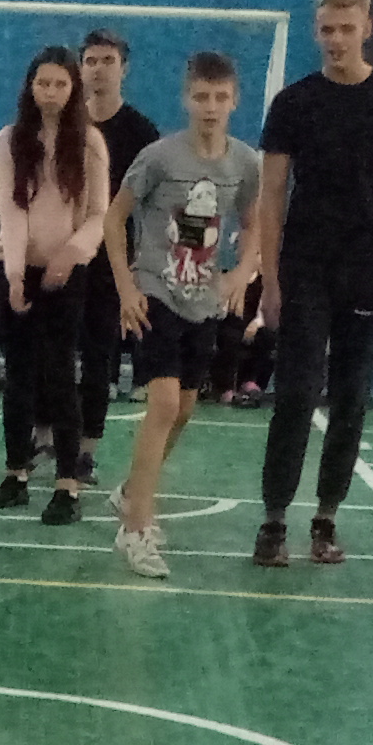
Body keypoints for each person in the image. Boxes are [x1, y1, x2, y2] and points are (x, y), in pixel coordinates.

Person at [221, 0, 373, 566]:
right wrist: (270, 279)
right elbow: (272, 194)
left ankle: (326, 518)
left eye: (347, 29)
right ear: (316, 32)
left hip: (368, 265)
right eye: (327, 30)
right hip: (305, 264)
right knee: (296, 391)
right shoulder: (294, 103)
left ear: (367, 29)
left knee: (351, 396)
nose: (336, 39)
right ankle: (274, 521)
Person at [105, 51, 254, 577]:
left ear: (235, 101)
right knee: (164, 403)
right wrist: (126, 287)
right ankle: (136, 528)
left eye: (220, 97)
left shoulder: (244, 163)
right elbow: (114, 218)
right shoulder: (159, 158)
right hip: (156, 293)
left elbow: (255, 223)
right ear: (186, 99)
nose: (210, 107)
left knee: (186, 408)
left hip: (203, 300)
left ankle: (131, 491)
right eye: (201, 97)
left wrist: (242, 273)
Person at [0, 47, 111, 523]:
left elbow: (98, 215)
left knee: (59, 376)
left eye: (60, 84)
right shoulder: (9, 140)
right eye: (42, 83)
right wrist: (14, 274)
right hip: (20, 271)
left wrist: (70, 255)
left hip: (67, 274)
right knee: (18, 377)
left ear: (73, 89)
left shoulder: (90, 142)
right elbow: (12, 212)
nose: (50, 93)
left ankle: (68, 486)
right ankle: (16, 474)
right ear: (30, 88)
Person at [69, 29, 157, 455]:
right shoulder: (66, 124)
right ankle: (44, 437)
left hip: (111, 261)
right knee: (52, 351)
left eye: (108, 61)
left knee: (98, 355)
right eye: (91, 61)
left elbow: (154, 206)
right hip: (63, 254)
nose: (98, 69)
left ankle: (87, 449)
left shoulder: (141, 132)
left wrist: (138, 269)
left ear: (125, 69)